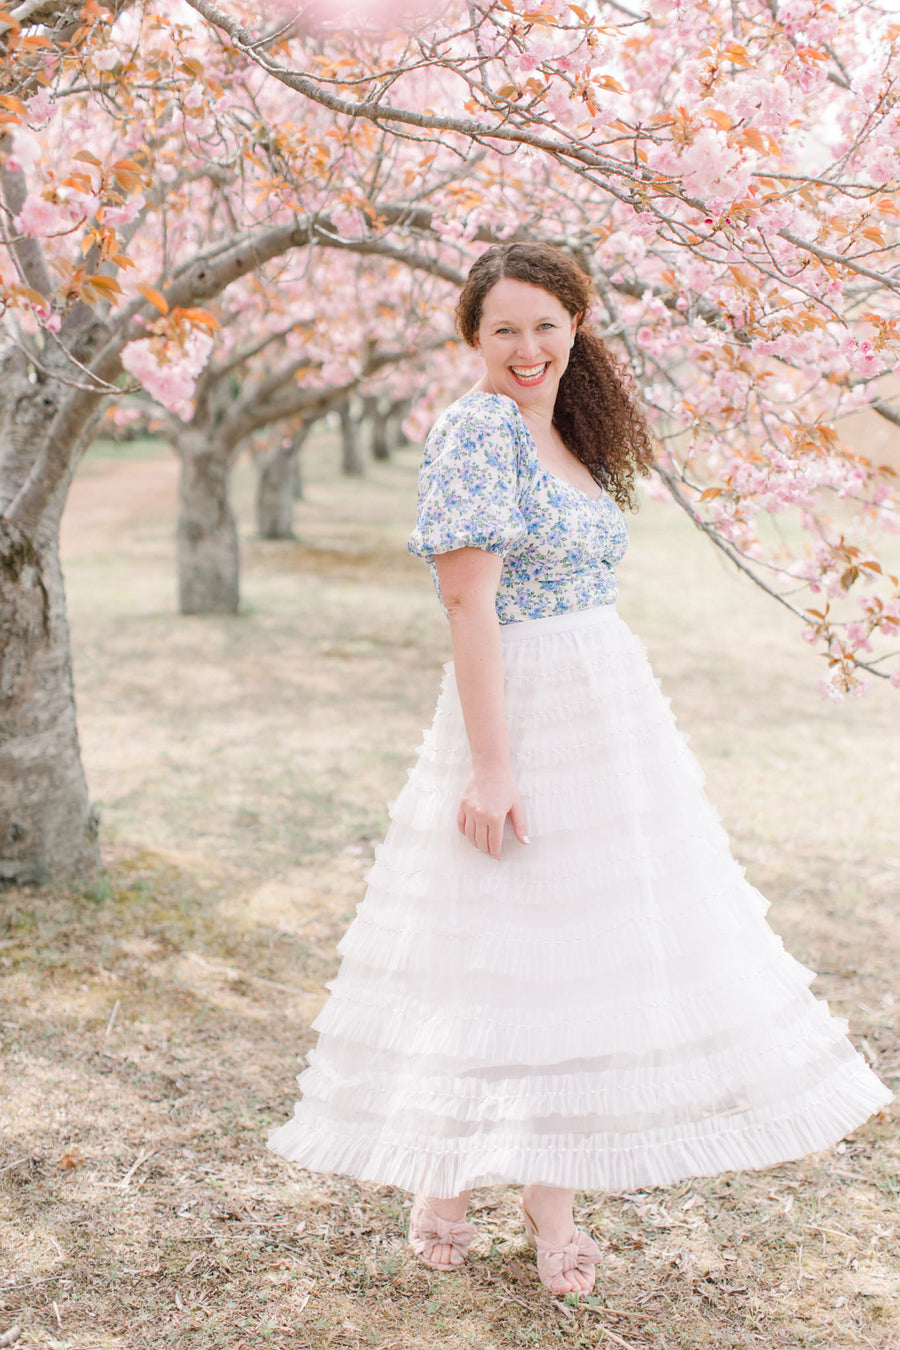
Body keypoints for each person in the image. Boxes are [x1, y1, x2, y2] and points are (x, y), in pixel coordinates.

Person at [268, 243, 892, 1296]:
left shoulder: (570, 432)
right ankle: (443, 1176)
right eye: (504, 327)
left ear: (578, 325)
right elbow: (469, 602)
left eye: (546, 324)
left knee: (577, 955)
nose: (528, 346)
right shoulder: (476, 429)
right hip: (522, 713)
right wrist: (493, 765)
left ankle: (549, 1194)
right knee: (494, 947)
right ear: (471, 337)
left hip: (607, 717)